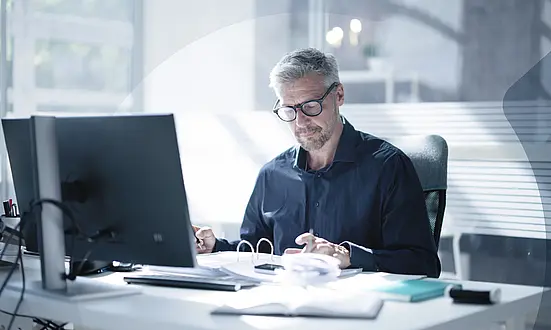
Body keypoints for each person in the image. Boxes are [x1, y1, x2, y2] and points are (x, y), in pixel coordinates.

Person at [194, 47, 441, 277]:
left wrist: (348, 256)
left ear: (339, 95)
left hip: (360, 311)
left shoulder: (389, 167)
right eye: (289, 110)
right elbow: (257, 252)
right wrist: (215, 246)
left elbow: (423, 263)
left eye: (310, 106)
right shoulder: (272, 174)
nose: (300, 122)